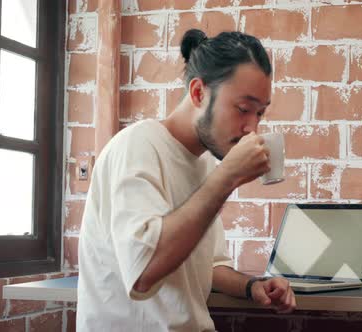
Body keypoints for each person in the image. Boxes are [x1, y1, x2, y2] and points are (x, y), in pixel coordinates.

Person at [76, 29, 296, 331]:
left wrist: (252, 286)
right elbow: (144, 272)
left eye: (260, 113)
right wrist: (227, 177)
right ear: (198, 93)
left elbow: (210, 268)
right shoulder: (138, 146)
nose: (252, 128)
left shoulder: (206, 164)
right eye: (244, 109)